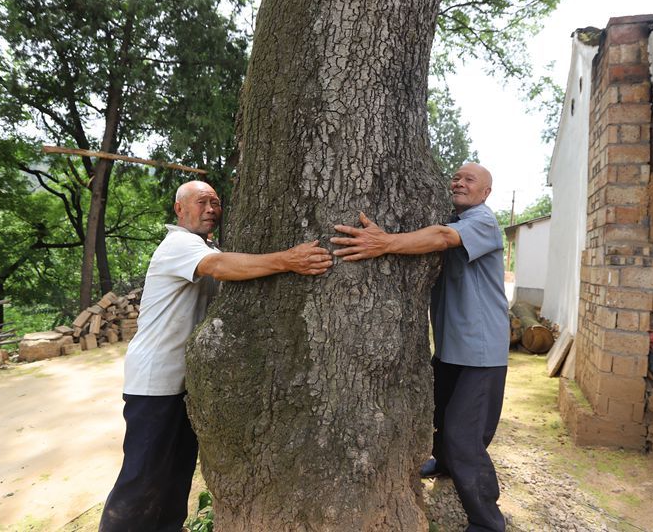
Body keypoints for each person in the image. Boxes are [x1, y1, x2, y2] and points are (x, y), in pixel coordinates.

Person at [100, 180, 332, 532]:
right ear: (179, 209)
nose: (211, 208)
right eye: (201, 202)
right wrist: (289, 260)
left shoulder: (202, 246)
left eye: (216, 202)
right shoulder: (179, 244)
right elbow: (220, 267)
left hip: (181, 383)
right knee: (142, 479)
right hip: (154, 382)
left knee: (176, 478)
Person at [331, 162, 510, 532]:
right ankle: (444, 465)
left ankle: (488, 522)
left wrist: (384, 243)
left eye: (470, 179)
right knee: (441, 419)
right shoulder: (450, 217)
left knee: (465, 436)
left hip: (480, 351)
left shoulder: (483, 220)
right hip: (451, 347)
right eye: (456, 177)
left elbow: (443, 238)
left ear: (486, 191)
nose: (459, 182)